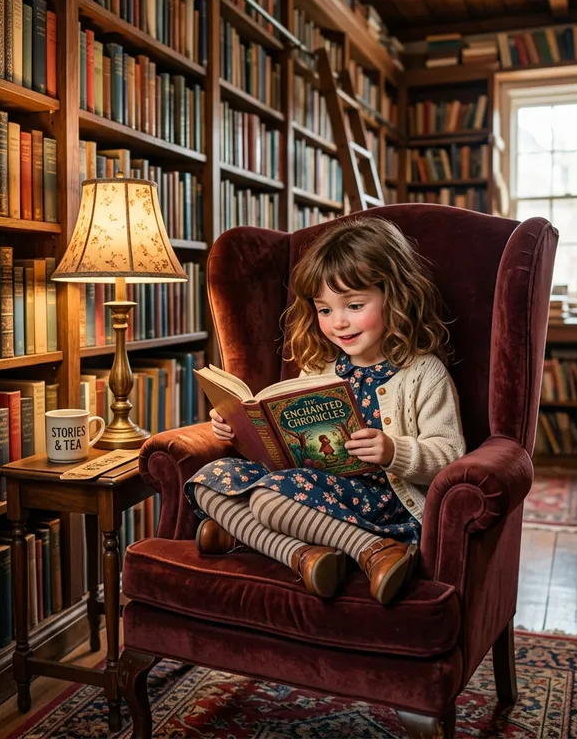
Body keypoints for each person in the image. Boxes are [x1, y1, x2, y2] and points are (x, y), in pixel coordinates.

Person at [184, 218, 465, 605]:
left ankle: (375, 549)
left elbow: (451, 454)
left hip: (382, 502)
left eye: (354, 305)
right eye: (325, 310)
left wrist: (393, 451)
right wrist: (238, 427)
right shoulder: (320, 367)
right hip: (306, 484)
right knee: (206, 481)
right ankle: (307, 555)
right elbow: (284, 437)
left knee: (266, 500)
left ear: (394, 296)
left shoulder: (422, 373)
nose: (339, 323)